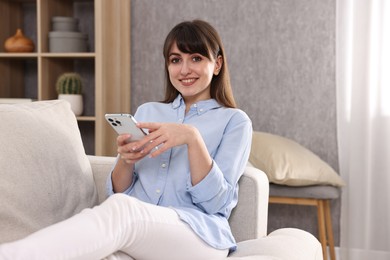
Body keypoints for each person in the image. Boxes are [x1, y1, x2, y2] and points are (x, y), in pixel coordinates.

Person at [0, 19, 252, 260]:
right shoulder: (147, 112)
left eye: (196, 58)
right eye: (176, 60)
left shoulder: (235, 121)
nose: (184, 69)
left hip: (198, 234)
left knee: (122, 210)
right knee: (102, 252)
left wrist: (192, 138)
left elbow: (217, 204)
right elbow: (119, 191)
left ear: (217, 64)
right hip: (139, 230)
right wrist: (126, 160)